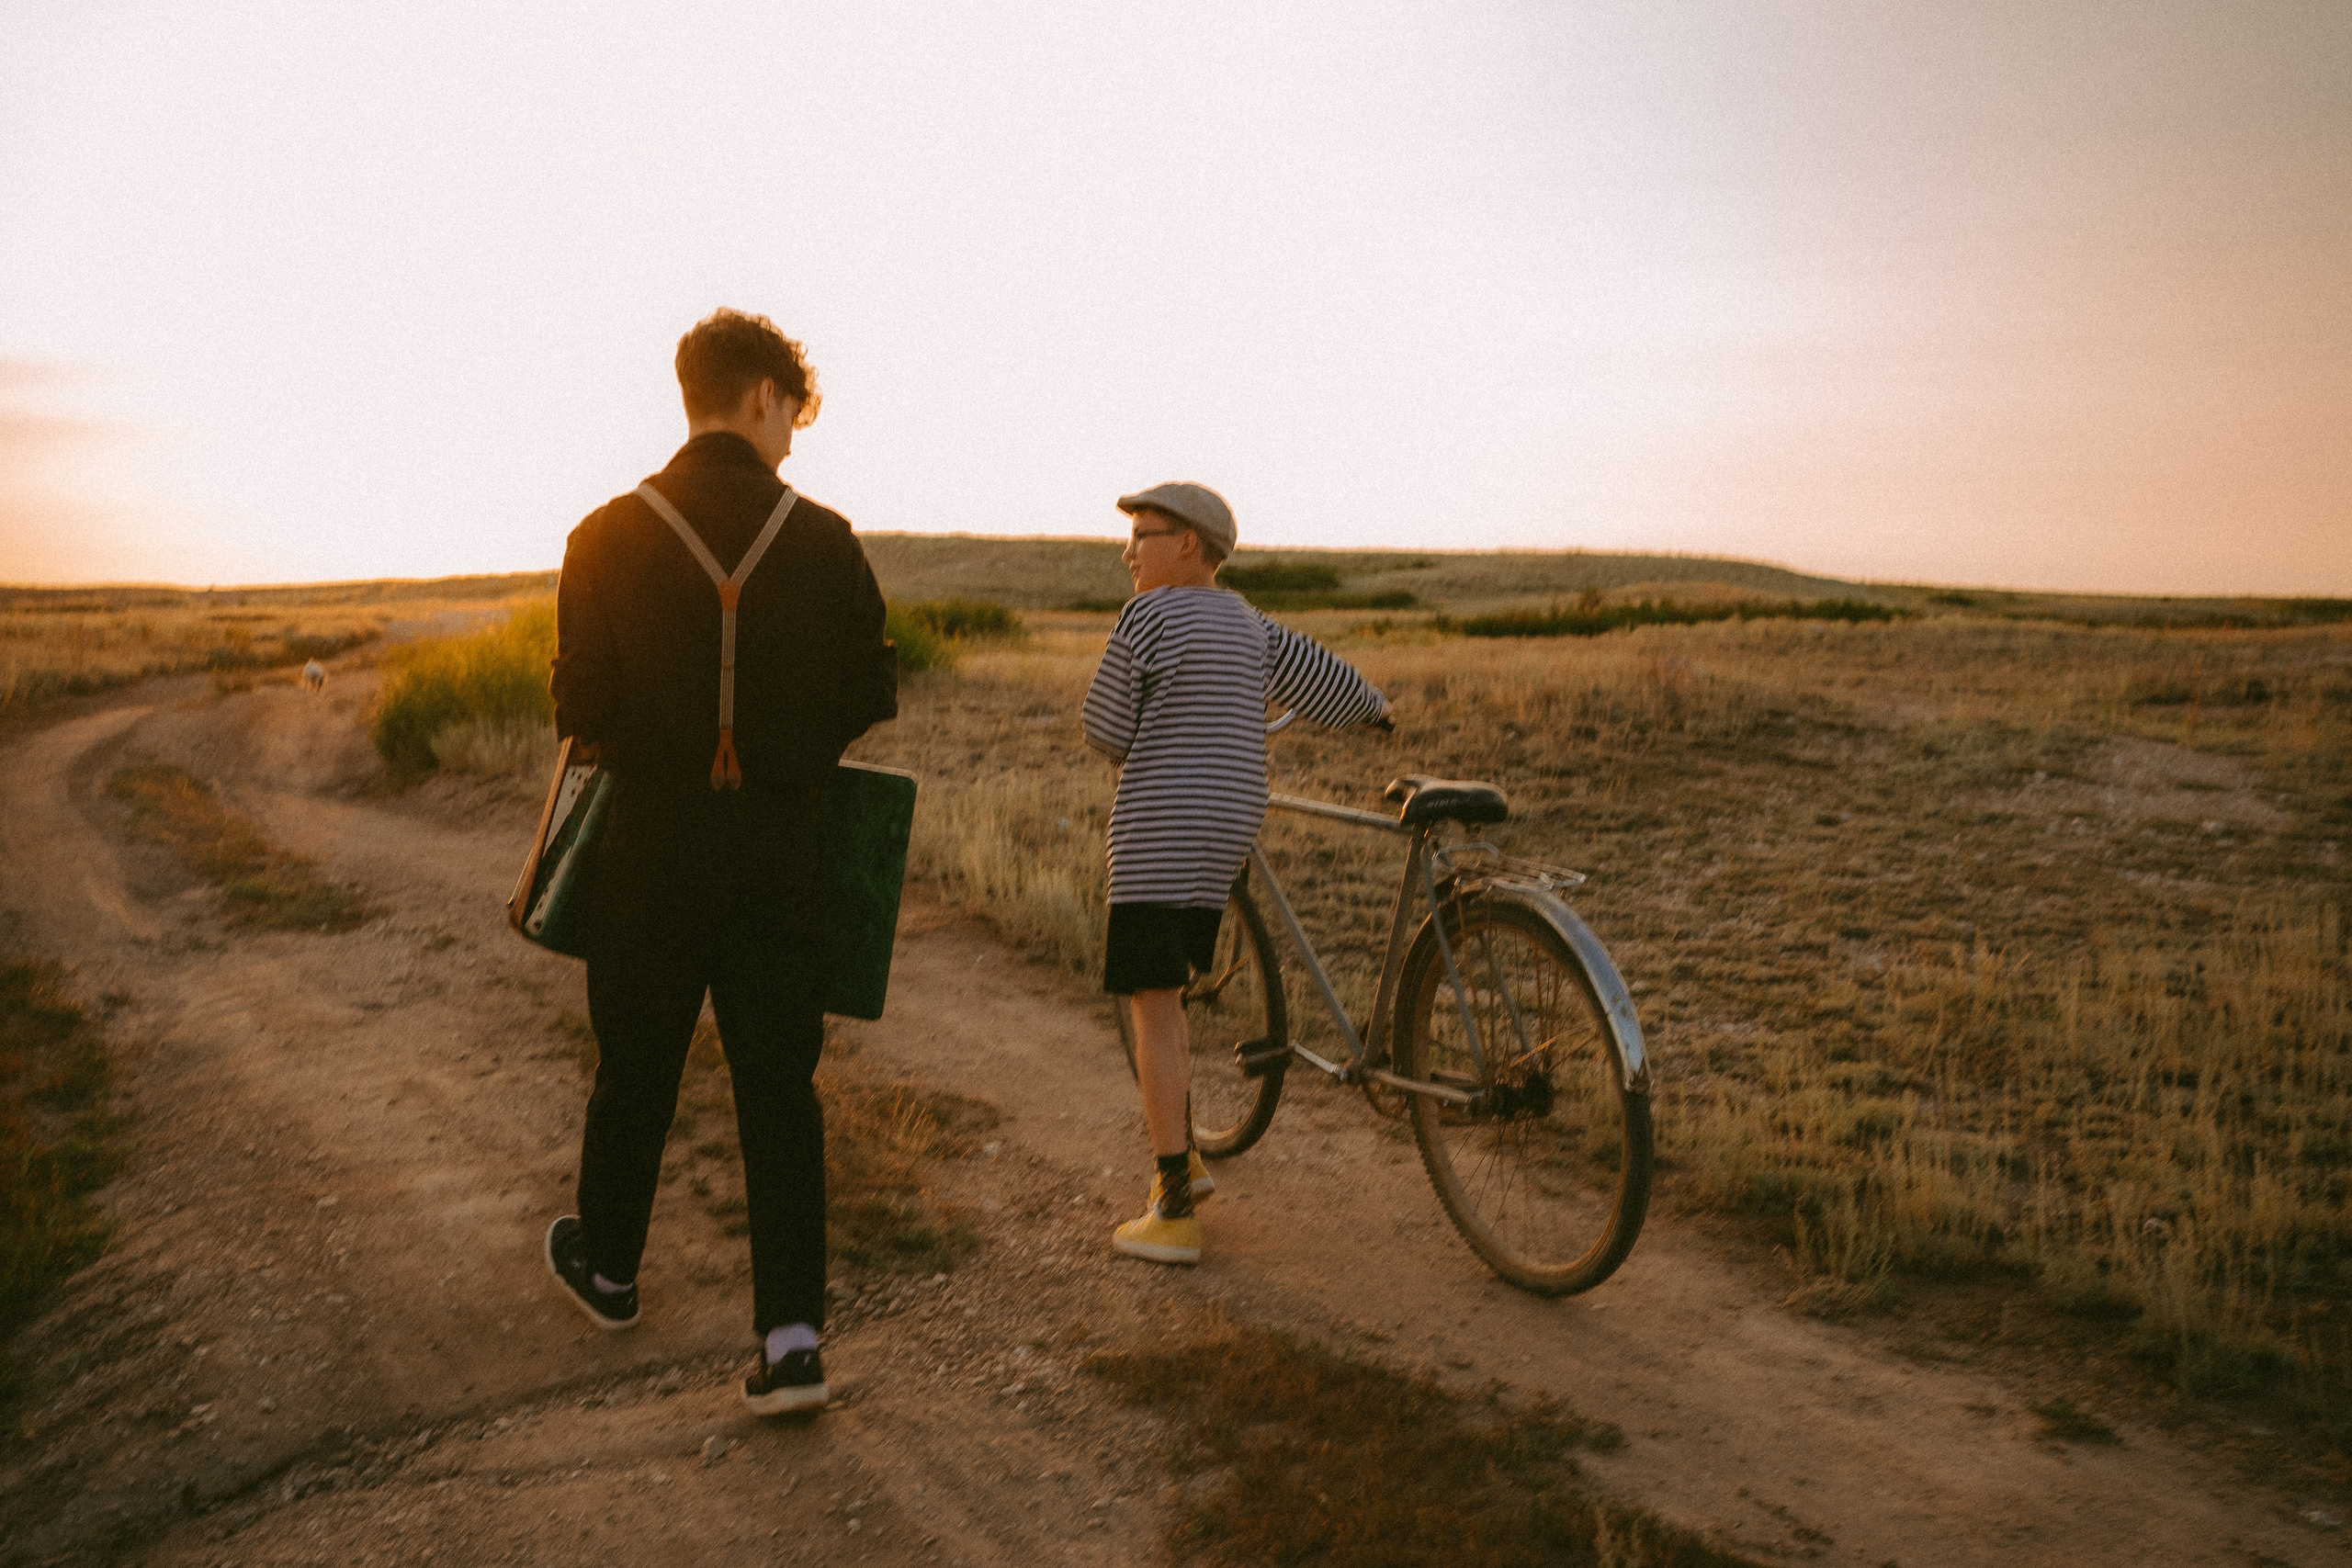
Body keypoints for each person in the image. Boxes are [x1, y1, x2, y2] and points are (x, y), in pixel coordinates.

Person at [544, 309, 897, 1414]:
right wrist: (788, 754)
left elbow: (580, 706)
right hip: (780, 852)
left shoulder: (603, 533)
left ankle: (606, 1272)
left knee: (636, 1068)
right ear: (757, 397)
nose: (793, 434)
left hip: (648, 847)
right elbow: (870, 694)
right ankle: (791, 1342)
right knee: (778, 1092)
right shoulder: (828, 539)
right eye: (791, 410)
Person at [1080, 482, 1390, 1265]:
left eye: (1139, 537)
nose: (1127, 552)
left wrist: (1140, 735)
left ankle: (1174, 1206)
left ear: (1188, 543)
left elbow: (1106, 727)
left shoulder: (1146, 617)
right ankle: (1184, 1158)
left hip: (1159, 830)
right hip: (1228, 826)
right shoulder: (1250, 622)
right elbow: (1327, 681)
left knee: (1152, 1004)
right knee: (1173, 984)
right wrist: (1375, 710)